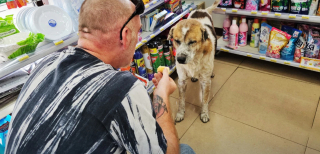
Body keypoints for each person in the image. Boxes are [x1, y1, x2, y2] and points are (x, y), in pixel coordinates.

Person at [5, 0, 195, 153]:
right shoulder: (122, 88)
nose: (138, 38)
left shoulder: (46, 63)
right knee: (184, 150)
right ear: (125, 35)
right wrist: (161, 95)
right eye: (137, 32)